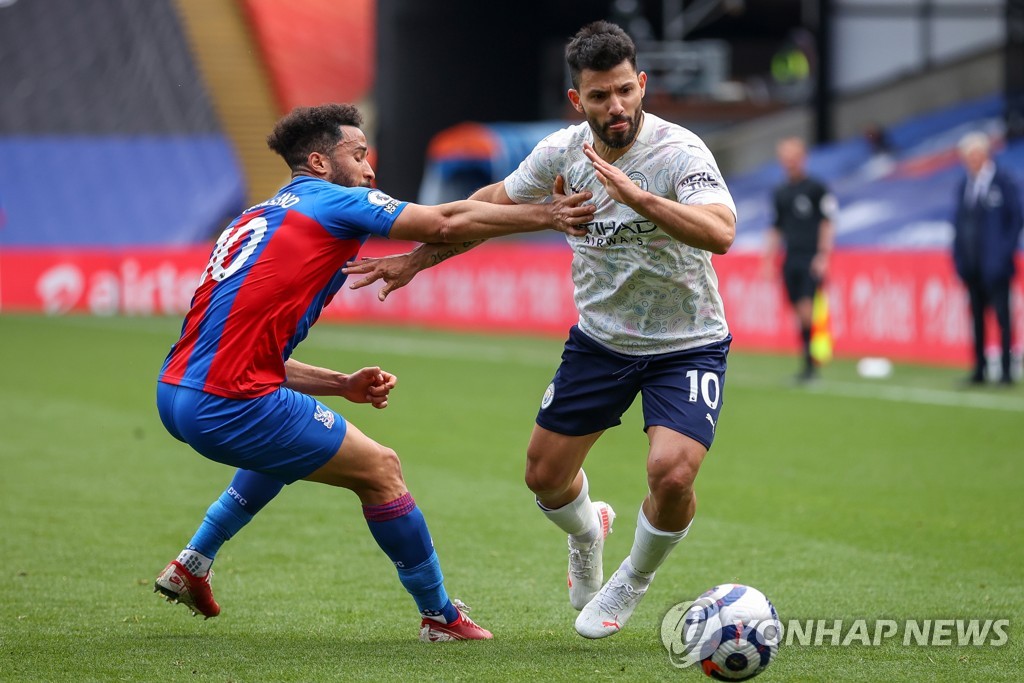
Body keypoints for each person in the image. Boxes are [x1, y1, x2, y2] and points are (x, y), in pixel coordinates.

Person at [343, 21, 737, 639]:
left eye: (625, 91)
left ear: (642, 84)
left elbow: (720, 232)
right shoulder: (560, 154)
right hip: (601, 342)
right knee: (544, 478)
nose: (617, 107)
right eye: (600, 96)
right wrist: (415, 260)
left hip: (687, 343)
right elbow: (489, 207)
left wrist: (638, 197)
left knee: (673, 473)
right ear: (578, 101)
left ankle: (632, 576)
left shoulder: (679, 153)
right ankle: (589, 531)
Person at [152, 103, 595, 642]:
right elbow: (443, 221)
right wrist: (546, 214)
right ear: (318, 161)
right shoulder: (335, 202)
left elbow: (239, 349)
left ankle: (192, 562)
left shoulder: (258, 216)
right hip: (227, 402)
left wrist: (339, 385)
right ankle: (440, 616)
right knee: (381, 469)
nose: (370, 169)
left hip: (177, 391)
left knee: (287, 450)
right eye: (358, 155)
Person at [951, 131, 1023, 386]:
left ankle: (1006, 370)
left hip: (997, 265)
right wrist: (959, 258)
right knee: (978, 320)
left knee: (1003, 318)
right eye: (967, 156)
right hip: (972, 266)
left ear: (985, 154)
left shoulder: (1003, 181)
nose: (970, 160)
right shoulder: (964, 185)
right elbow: (959, 224)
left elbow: (1015, 218)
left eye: (974, 155)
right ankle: (979, 369)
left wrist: (1004, 252)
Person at [763, 136, 837, 382]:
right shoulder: (781, 192)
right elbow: (776, 227)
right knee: (797, 310)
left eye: (793, 156)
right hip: (790, 257)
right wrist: (768, 260)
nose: (789, 162)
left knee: (807, 309)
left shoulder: (816, 188)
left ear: (802, 158)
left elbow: (828, 222)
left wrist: (823, 255)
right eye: (785, 157)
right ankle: (807, 363)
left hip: (809, 257)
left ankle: (810, 366)